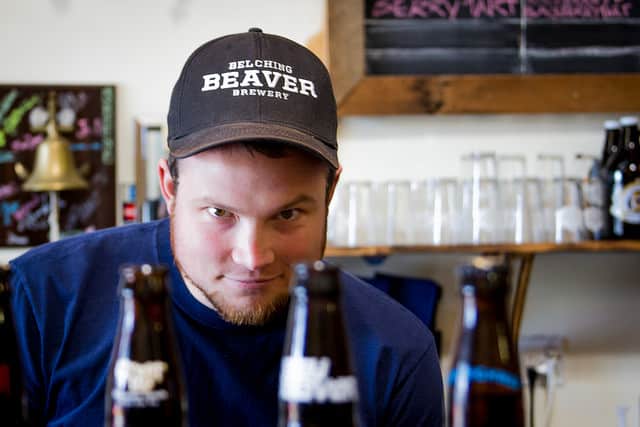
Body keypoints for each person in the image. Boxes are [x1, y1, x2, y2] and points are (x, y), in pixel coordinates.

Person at [9, 28, 443, 426]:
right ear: (170, 189)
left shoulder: (396, 351)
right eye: (220, 213)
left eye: (287, 215)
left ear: (330, 193)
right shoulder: (44, 298)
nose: (253, 257)